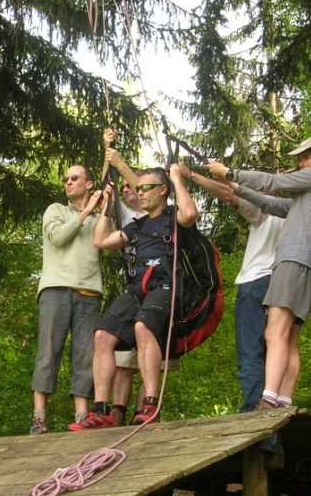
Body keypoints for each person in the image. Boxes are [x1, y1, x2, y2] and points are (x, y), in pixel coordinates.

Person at [208, 136, 311, 409]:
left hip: (295, 260)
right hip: (310, 265)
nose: (300, 164)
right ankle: (283, 399)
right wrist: (235, 186)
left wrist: (230, 172)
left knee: (274, 331)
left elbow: (274, 183)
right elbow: (270, 204)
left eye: (305, 158)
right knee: (289, 337)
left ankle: (267, 399)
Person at [70, 164, 199, 430]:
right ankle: (102, 409)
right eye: (137, 189)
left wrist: (176, 177)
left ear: (163, 191)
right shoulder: (137, 226)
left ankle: (150, 404)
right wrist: (105, 208)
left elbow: (190, 214)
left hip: (164, 287)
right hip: (136, 290)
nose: (139, 193)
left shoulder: (173, 217)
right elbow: (101, 241)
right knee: (102, 335)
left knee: (143, 327)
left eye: (145, 188)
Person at [178, 164, 284, 411]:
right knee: (278, 347)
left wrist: (192, 176)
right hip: (282, 283)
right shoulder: (302, 212)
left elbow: (229, 194)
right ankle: (275, 402)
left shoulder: (265, 210)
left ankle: (252, 410)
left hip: (255, 281)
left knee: (251, 350)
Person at [29, 165, 104, 435]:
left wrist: (102, 208)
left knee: (85, 355)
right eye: (66, 179)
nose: (68, 182)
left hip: (90, 292)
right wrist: (86, 212)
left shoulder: (98, 217)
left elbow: (109, 239)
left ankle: (82, 416)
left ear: (88, 184)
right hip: (55, 288)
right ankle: (39, 417)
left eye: (75, 178)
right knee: (48, 351)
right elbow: (59, 237)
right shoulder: (55, 210)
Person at [101, 128, 145, 425]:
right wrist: (107, 150)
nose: (129, 191)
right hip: (134, 287)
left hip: (160, 285)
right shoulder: (128, 218)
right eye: (127, 190)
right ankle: (116, 411)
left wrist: (121, 164)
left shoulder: (161, 211)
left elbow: (141, 187)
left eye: (135, 188)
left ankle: (146, 412)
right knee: (123, 352)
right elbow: (108, 186)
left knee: (152, 354)